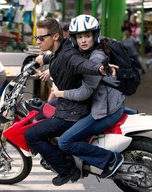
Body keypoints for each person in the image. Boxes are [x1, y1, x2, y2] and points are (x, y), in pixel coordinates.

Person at [23, 18, 116, 186]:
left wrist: (99, 69)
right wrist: (41, 60)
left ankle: (67, 169)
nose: (38, 41)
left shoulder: (84, 56)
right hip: (71, 104)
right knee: (42, 112)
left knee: (32, 135)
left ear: (56, 36)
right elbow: (58, 56)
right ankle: (56, 154)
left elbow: (80, 65)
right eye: (79, 37)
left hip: (80, 109)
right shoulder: (67, 47)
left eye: (41, 38)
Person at [50, 14, 125, 180]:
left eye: (87, 36)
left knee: (65, 142)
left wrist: (60, 92)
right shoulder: (84, 52)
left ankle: (111, 160)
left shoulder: (96, 57)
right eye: (79, 37)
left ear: (95, 35)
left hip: (104, 110)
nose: (83, 40)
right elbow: (68, 59)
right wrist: (46, 61)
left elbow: (84, 93)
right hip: (106, 101)